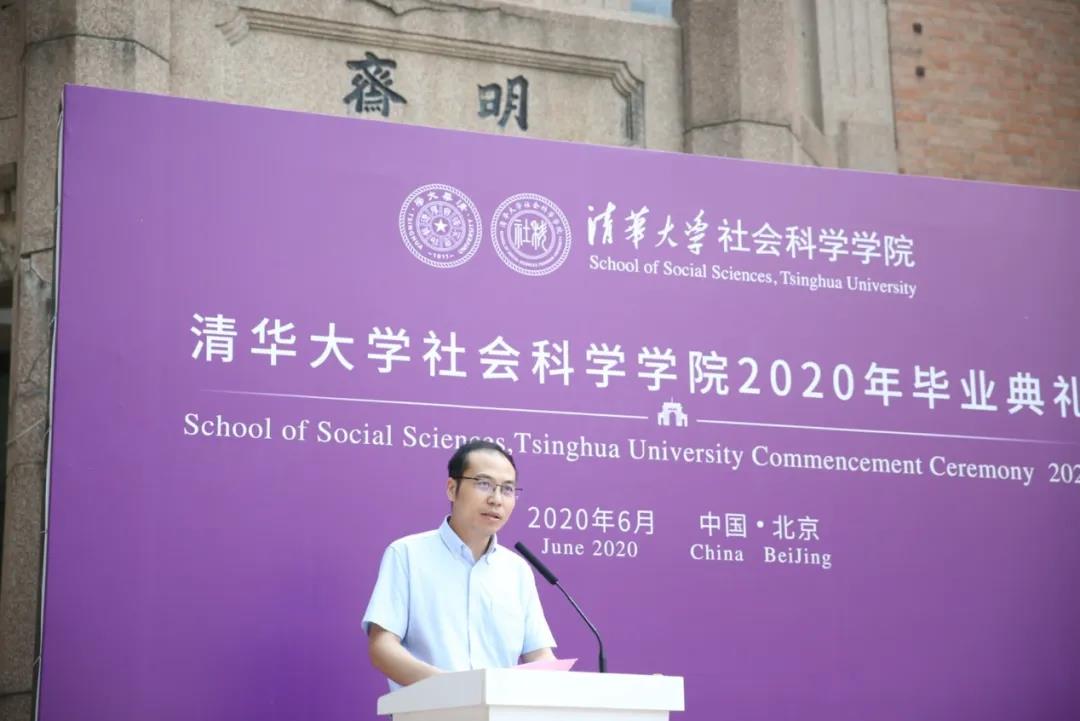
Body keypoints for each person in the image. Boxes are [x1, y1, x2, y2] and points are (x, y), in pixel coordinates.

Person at [362, 440, 557, 687]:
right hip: (431, 705)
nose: (496, 499)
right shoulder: (407, 554)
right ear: (452, 489)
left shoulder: (517, 570)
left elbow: (539, 655)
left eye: (507, 489)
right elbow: (382, 646)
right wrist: (449, 687)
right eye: (484, 484)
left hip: (499, 707)